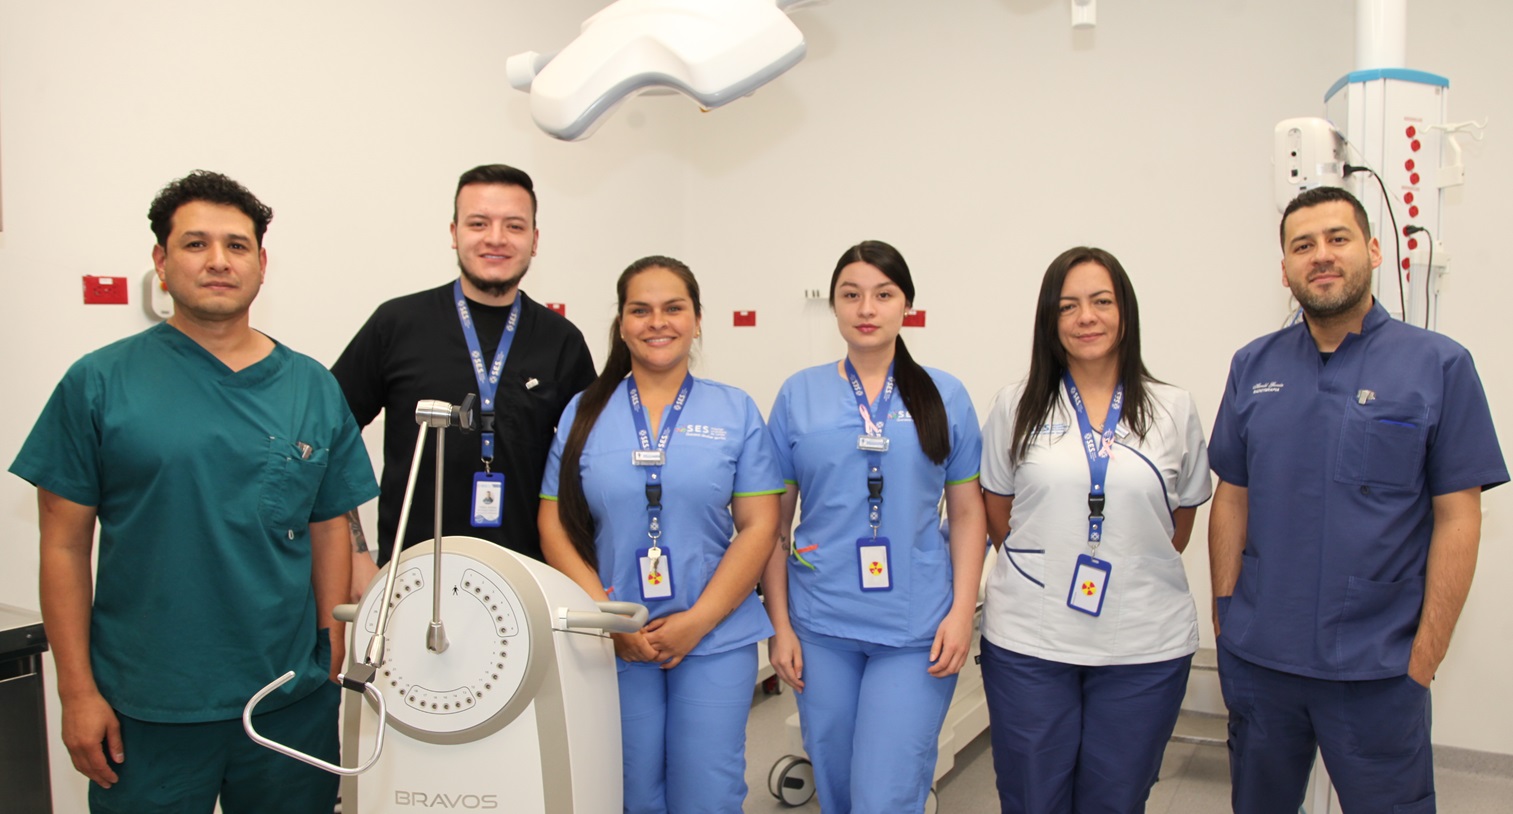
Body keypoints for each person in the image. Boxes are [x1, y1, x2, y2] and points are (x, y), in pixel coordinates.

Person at [10, 171, 378, 812]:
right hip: (145, 707)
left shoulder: (312, 387)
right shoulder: (98, 383)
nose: (218, 261)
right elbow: (64, 546)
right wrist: (77, 692)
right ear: (160, 260)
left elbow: (328, 524)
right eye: (195, 244)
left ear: (262, 264)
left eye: (237, 246)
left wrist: (330, 642)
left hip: (287, 701)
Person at [1208, 186, 1507, 813]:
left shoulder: (1439, 366)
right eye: (1302, 245)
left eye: (1337, 239)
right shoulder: (1252, 366)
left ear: (1372, 250)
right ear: (1284, 268)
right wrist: (1227, 621)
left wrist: (1424, 657)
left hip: (1379, 671)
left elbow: (1459, 518)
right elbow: (1230, 499)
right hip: (1263, 664)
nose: (1321, 256)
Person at [538, 256, 782, 813]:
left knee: (708, 788)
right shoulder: (585, 411)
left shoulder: (734, 409)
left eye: (674, 308)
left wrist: (699, 621)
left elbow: (759, 525)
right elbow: (552, 521)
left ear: (697, 320)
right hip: (614, 637)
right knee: (629, 786)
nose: (657, 322)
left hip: (715, 631)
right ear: (621, 324)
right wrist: (609, 618)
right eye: (640, 310)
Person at [977, 247, 1212, 813]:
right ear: (1050, 321)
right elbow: (998, 513)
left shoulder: (1172, 408)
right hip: (1030, 641)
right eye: (1069, 305)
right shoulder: (1016, 405)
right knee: (1034, 798)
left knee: (1117, 799)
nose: (1087, 317)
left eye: (1101, 301)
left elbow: (1178, 525)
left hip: (1143, 643)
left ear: (1124, 311)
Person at [764, 240, 987, 813]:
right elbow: (773, 523)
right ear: (834, 306)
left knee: (883, 795)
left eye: (883, 294)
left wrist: (962, 612)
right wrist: (781, 626)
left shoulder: (944, 393)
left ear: (905, 305)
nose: (867, 307)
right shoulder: (799, 394)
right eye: (851, 294)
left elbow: (966, 513)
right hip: (821, 625)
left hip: (915, 630)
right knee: (837, 789)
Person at [332, 163, 596, 594]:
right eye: (479, 223)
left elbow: (591, 464)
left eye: (514, 225)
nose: (496, 238)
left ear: (534, 239)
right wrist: (355, 552)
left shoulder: (561, 341)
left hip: (530, 584)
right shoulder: (397, 324)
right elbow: (327, 437)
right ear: (454, 233)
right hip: (411, 578)